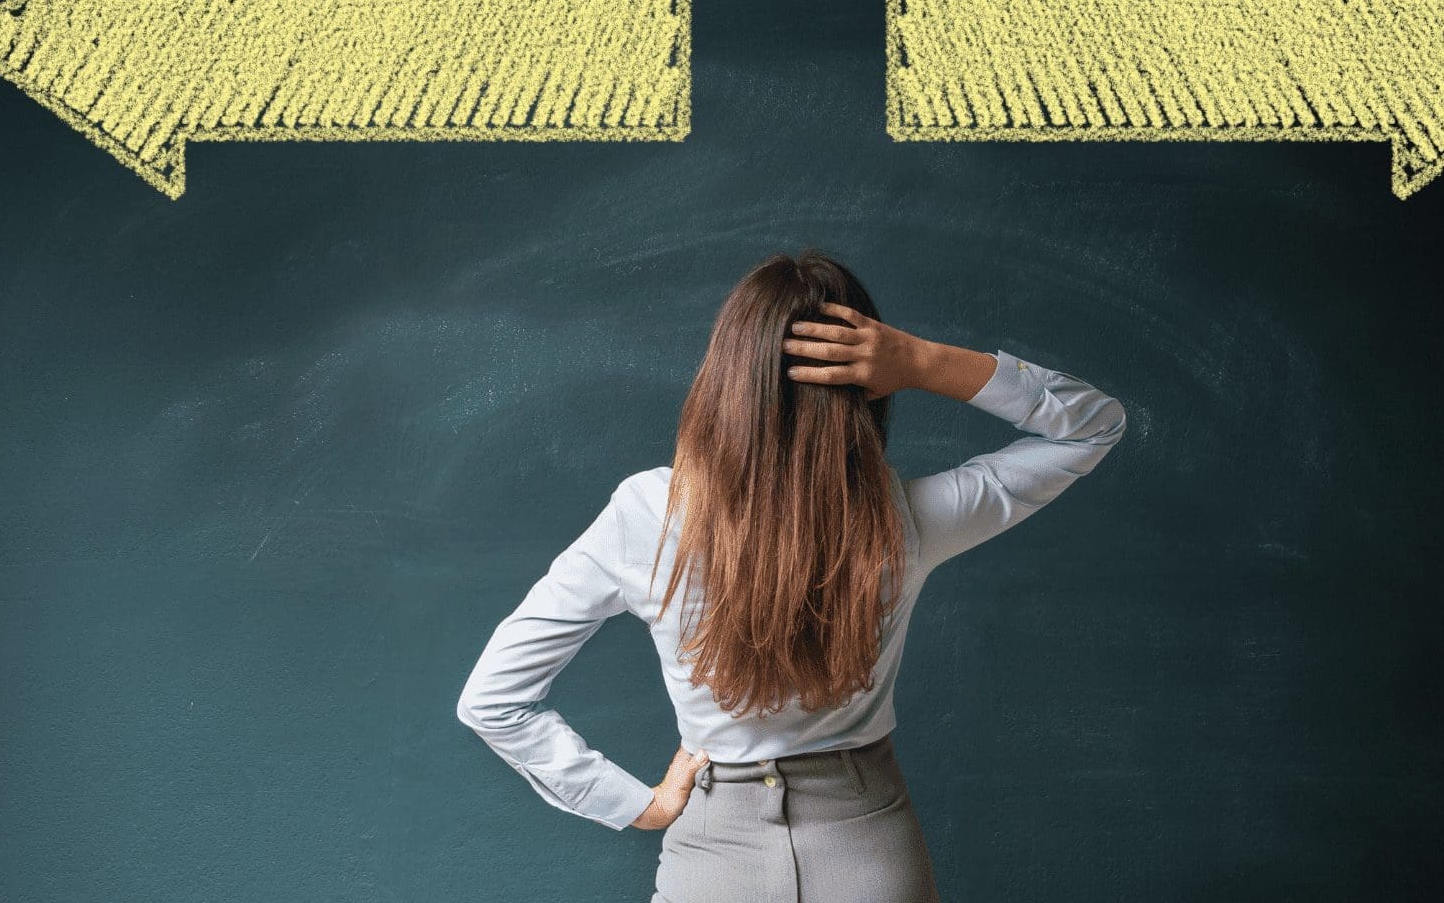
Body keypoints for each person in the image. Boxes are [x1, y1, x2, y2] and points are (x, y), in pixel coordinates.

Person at [455, 249, 1128, 902]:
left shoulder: (645, 514)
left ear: (725, 374)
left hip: (711, 862)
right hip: (870, 849)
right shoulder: (908, 519)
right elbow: (1092, 426)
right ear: (868, 386)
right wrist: (923, 362)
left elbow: (492, 700)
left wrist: (640, 807)